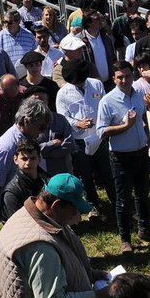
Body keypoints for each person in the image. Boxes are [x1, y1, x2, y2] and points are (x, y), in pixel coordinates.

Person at [97, 60, 150, 255]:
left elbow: (143, 116)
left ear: (133, 76)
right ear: (114, 79)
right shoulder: (107, 101)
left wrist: (146, 136)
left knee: (142, 195)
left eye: (127, 76)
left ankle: (145, 230)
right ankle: (125, 240)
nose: (124, 80)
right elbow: (101, 132)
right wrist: (125, 127)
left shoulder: (138, 95)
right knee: (123, 200)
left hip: (141, 152)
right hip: (121, 156)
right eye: (120, 77)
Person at [56, 59, 111, 214]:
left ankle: (115, 200)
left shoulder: (96, 85)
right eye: (76, 83)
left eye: (81, 81)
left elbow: (105, 106)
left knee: (107, 171)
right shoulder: (63, 94)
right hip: (79, 140)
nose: (79, 84)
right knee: (85, 174)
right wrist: (77, 123)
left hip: (99, 137)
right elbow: (63, 117)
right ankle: (92, 204)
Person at [0, 99, 50, 218]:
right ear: (26, 121)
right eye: (41, 127)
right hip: (14, 208)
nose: (42, 132)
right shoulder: (5, 147)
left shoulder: (29, 139)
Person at [1, 139, 46, 217]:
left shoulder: (48, 181)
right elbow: (16, 221)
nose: (28, 163)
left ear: (39, 159)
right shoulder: (12, 192)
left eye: (32, 158)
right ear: (15, 160)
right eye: (24, 159)